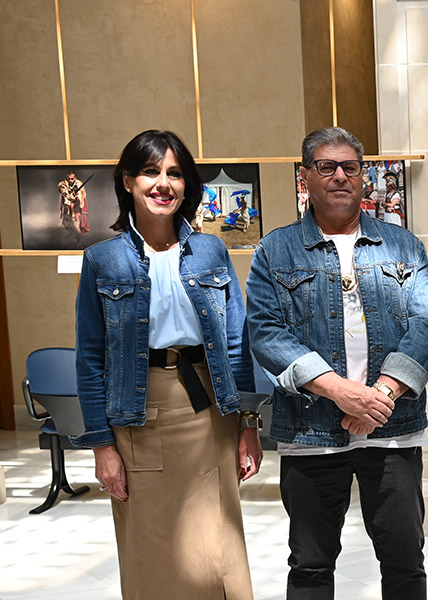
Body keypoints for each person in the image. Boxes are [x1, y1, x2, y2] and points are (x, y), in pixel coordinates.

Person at [246, 126, 428, 600]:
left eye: (350, 167)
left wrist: (380, 396)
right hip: (310, 430)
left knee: (404, 561)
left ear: (363, 177)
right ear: (305, 178)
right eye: (326, 166)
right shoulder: (275, 250)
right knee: (311, 566)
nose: (339, 176)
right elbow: (265, 332)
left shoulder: (403, 246)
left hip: (392, 428)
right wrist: (338, 389)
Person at [72, 130, 261, 599]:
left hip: (210, 411)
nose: (163, 184)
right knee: (150, 549)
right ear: (128, 181)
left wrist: (249, 424)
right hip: (139, 415)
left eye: (174, 173)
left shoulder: (212, 251)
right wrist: (101, 446)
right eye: (152, 172)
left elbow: (237, 344)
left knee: (219, 548)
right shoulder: (102, 260)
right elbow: (90, 358)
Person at [59, 170, 91, 241]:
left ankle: (79, 243)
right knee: (67, 225)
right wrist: (67, 195)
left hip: (76, 209)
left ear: (75, 178)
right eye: (69, 179)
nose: (70, 180)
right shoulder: (64, 184)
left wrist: (75, 197)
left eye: (72, 179)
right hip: (67, 209)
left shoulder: (79, 184)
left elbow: (81, 195)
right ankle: (72, 235)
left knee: (77, 227)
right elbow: (62, 189)